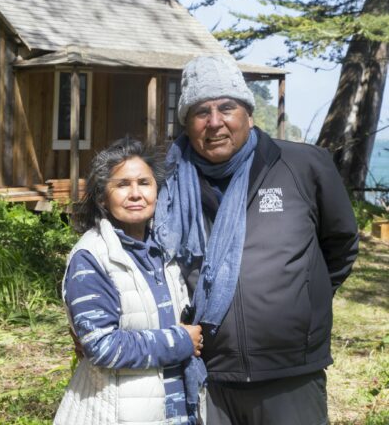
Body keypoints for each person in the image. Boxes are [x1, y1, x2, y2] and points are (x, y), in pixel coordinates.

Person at [152, 55, 359, 425]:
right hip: (208, 372)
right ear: (186, 123)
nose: (215, 122)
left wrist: (302, 301)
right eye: (201, 111)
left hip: (290, 371)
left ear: (248, 113)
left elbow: (340, 244)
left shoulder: (303, 166)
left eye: (226, 107)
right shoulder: (168, 182)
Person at [54, 138, 206, 425]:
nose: (135, 194)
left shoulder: (167, 250)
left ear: (157, 191)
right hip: (121, 413)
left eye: (144, 183)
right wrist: (180, 341)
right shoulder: (92, 257)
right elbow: (102, 346)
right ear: (102, 198)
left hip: (177, 411)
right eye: (122, 184)